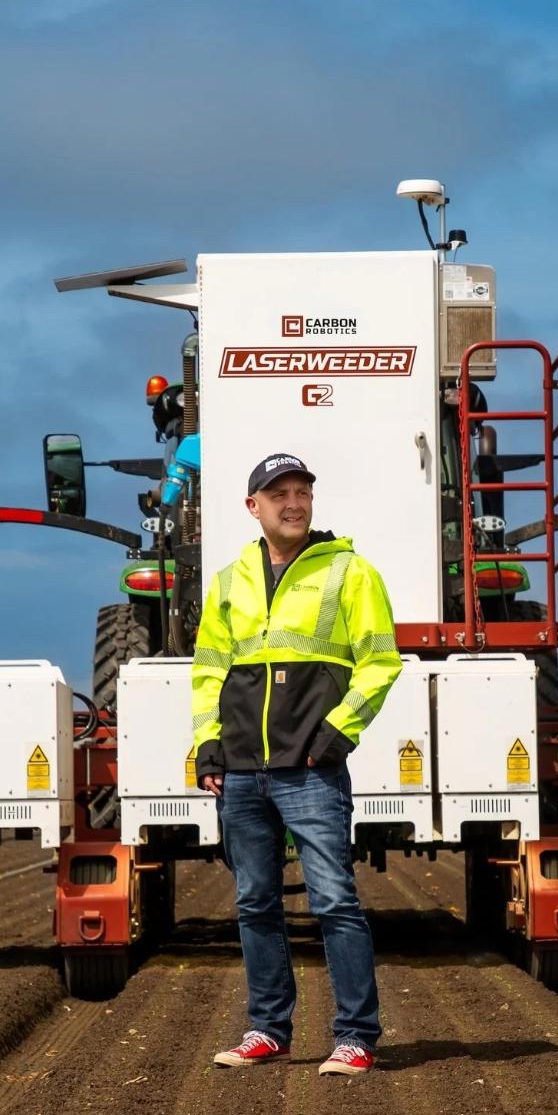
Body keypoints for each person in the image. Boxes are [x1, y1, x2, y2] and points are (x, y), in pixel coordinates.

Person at [191, 453, 403, 1076]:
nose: (293, 503)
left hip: (310, 770)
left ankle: (356, 1037)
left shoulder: (349, 571)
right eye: (278, 493)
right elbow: (208, 672)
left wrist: (338, 733)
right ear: (252, 506)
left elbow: (381, 662)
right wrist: (208, 747)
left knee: (334, 901)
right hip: (241, 770)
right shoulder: (229, 581)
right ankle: (267, 1030)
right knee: (255, 904)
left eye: (301, 492)